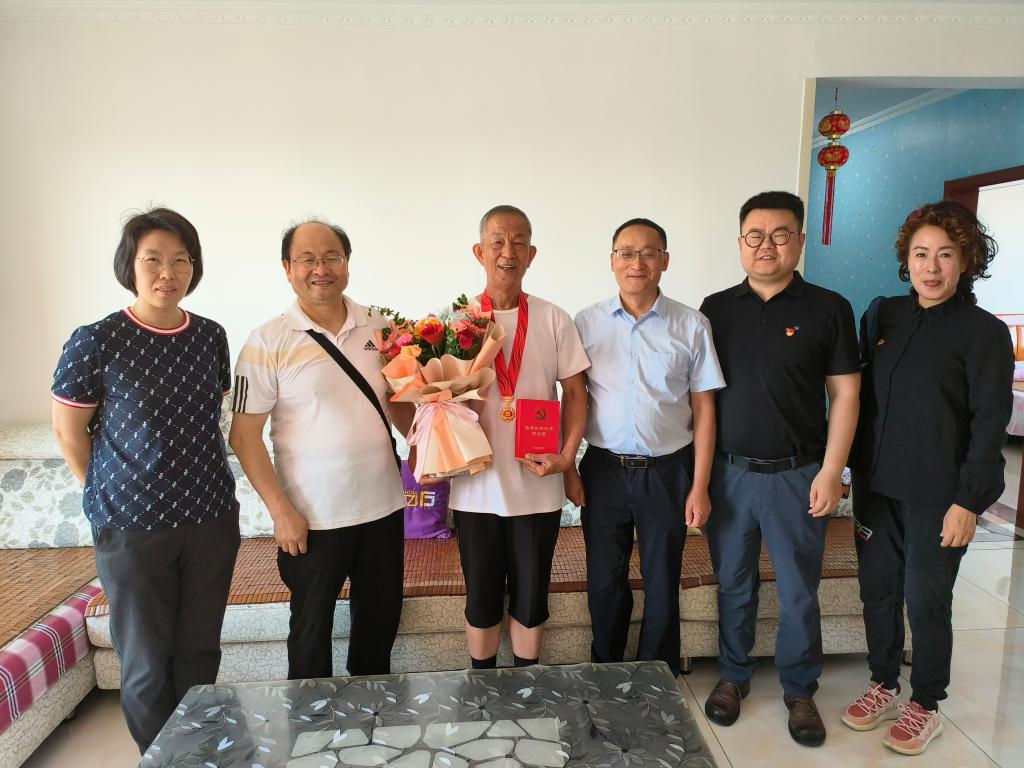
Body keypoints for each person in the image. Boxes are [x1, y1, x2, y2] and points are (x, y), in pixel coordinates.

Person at [51, 208, 240, 753]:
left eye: (181, 260)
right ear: (129, 266)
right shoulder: (96, 340)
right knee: (145, 664)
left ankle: (200, 755)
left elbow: (211, 418)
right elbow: (68, 432)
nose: (168, 272)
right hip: (132, 528)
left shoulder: (209, 336)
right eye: (153, 259)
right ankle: (161, 761)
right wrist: (110, 495)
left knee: (199, 654)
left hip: (210, 518)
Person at [841, 200, 1013, 756]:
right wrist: (844, 467)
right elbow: (862, 399)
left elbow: (990, 423)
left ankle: (926, 703)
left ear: (966, 260)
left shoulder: (984, 333)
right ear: (906, 259)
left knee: (926, 598)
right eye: (920, 254)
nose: (931, 268)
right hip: (877, 487)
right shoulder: (884, 316)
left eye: (945, 254)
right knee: (878, 590)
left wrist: (969, 502)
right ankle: (883, 684)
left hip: (939, 496)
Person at [699, 191, 860, 747]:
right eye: (755, 235)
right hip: (729, 475)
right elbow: (700, 398)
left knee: (798, 592)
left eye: (780, 234)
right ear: (740, 242)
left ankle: (799, 691)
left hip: (799, 474)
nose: (766, 245)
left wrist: (833, 470)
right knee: (734, 584)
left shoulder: (829, 308)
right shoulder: (715, 309)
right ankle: (733, 676)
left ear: (800, 241)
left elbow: (845, 395)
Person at [229, 219, 413, 679]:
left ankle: (371, 713)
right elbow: (244, 437)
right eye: (307, 259)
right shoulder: (266, 340)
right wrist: (280, 512)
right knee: (310, 636)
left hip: (384, 509)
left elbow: (399, 404)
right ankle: (311, 721)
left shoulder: (382, 326)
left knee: (378, 629)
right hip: (311, 520)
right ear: (287, 268)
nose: (321, 269)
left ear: (347, 263)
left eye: (331, 257)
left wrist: (437, 439)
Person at [573, 217, 724, 676]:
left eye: (648, 253)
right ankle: (606, 671)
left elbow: (705, 411)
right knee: (604, 582)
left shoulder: (691, 325)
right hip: (604, 470)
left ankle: (655, 676)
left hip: (668, 471)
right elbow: (573, 399)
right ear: (612, 260)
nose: (636, 262)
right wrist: (567, 466)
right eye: (626, 252)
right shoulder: (586, 323)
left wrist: (700, 487)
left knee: (661, 582)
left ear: (665, 261)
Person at [447, 204, 589, 669]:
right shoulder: (457, 321)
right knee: (481, 595)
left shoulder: (553, 318)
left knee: (531, 595)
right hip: (476, 485)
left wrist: (567, 458)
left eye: (519, 242)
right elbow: (436, 403)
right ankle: (482, 684)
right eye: (497, 242)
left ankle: (528, 686)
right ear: (479, 252)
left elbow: (576, 393)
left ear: (532, 254)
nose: (508, 252)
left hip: (537, 483)